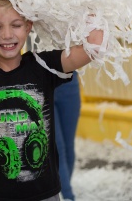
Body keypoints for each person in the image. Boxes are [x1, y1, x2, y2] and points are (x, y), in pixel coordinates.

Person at [0, 0, 103, 201]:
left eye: (16, 25)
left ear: (29, 27)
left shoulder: (44, 66)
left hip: (43, 194)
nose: (7, 35)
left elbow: (95, 47)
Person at [54, 71, 81, 201]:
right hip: (41, 82)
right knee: (58, 149)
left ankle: (62, 193)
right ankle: (68, 196)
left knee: (69, 145)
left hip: (69, 81)